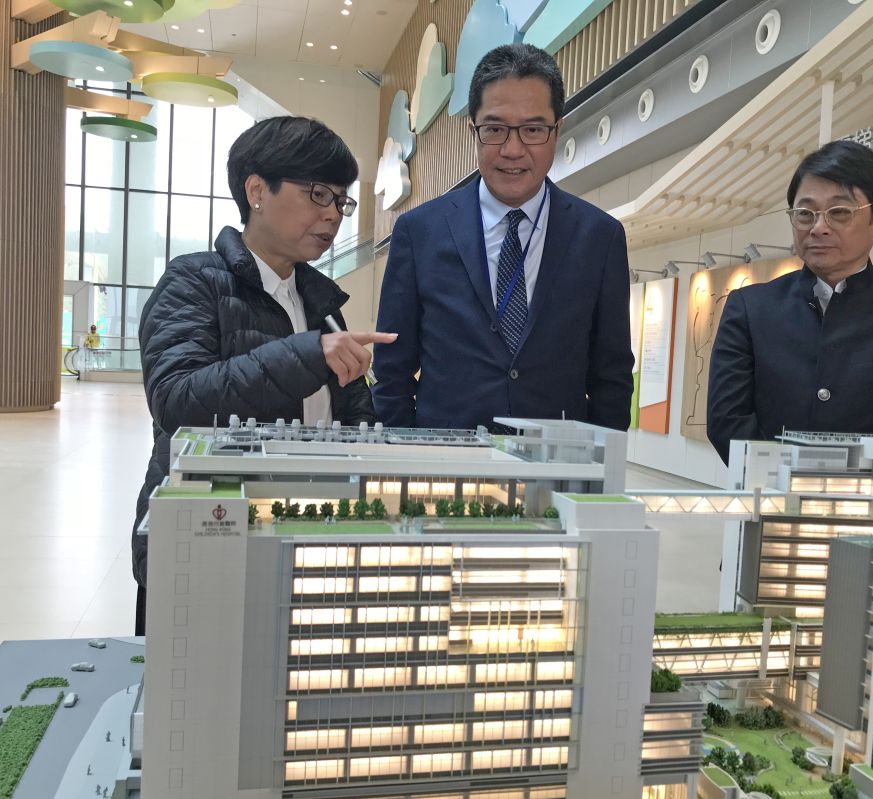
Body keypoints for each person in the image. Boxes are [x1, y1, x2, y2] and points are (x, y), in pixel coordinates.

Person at [130, 116, 396, 634]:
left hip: (307, 538)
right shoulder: (193, 282)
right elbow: (176, 400)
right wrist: (306, 356)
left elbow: (350, 420)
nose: (332, 215)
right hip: (210, 537)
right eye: (318, 193)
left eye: (341, 200)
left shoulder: (321, 303)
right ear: (257, 190)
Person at [372, 43, 633, 432]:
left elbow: (612, 378)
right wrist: (413, 455)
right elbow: (391, 374)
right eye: (494, 129)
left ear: (557, 129)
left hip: (556, 473)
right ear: (473, 129)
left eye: (532, 129)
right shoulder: (419, 232)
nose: (512, 150)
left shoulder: (599, 237)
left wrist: (593, 472)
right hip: (444, 473)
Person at [707, 139, 873, 464]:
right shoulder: (750, 307)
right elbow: (727, 421)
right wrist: (783, 489)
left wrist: (851, 494)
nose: (819, 228)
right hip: (767, 502)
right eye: (805, 214)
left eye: (840, 212)